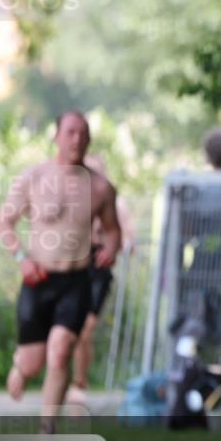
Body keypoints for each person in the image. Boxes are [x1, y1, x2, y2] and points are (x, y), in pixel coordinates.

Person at [0, 111, 120, 433]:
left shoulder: (101, 187)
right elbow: (4, 222)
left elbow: (112, 230)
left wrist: (110, 249)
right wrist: (22, 257)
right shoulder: (33, 178)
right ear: (57, 137)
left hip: (76, 281)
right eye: (70, 132)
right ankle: (20, 367)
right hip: (38, 279)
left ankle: (46, 427)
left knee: (62, 350)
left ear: (89, 139)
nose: (77, 139)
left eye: (83, 133)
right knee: (33, 362)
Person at [66, 153, 135, 406]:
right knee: (71, 328)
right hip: (76, 264)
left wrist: (116, 248)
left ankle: (79, 383)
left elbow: (128, 237)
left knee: (85, 328)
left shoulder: (115, 204)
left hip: (100, 267)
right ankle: (69, 380)